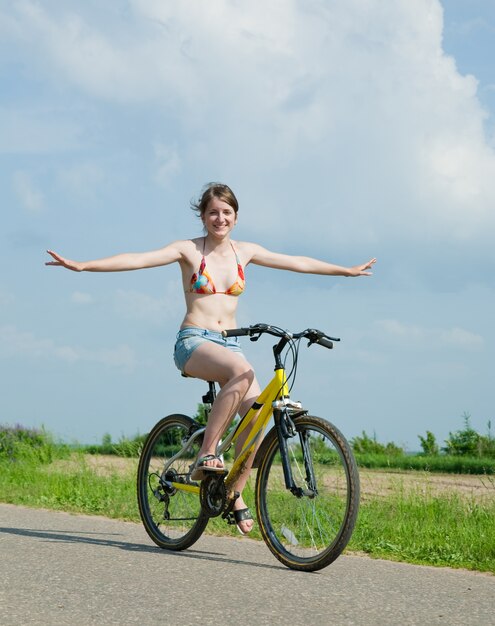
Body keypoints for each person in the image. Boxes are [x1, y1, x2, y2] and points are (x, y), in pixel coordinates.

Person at [46, 182, 376, 535]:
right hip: (193, 342)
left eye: (227, 212)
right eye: (213, 212)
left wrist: (345, 270)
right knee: (242, 372)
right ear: (203, 216)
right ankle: (207, 452)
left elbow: (296, 262)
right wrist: (84, 266)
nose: (220, 218)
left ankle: (233, 492)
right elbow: (137, 259)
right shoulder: (188, 250)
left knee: (257, 418)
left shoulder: (244, 251)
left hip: (229, 345)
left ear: (236, 217)